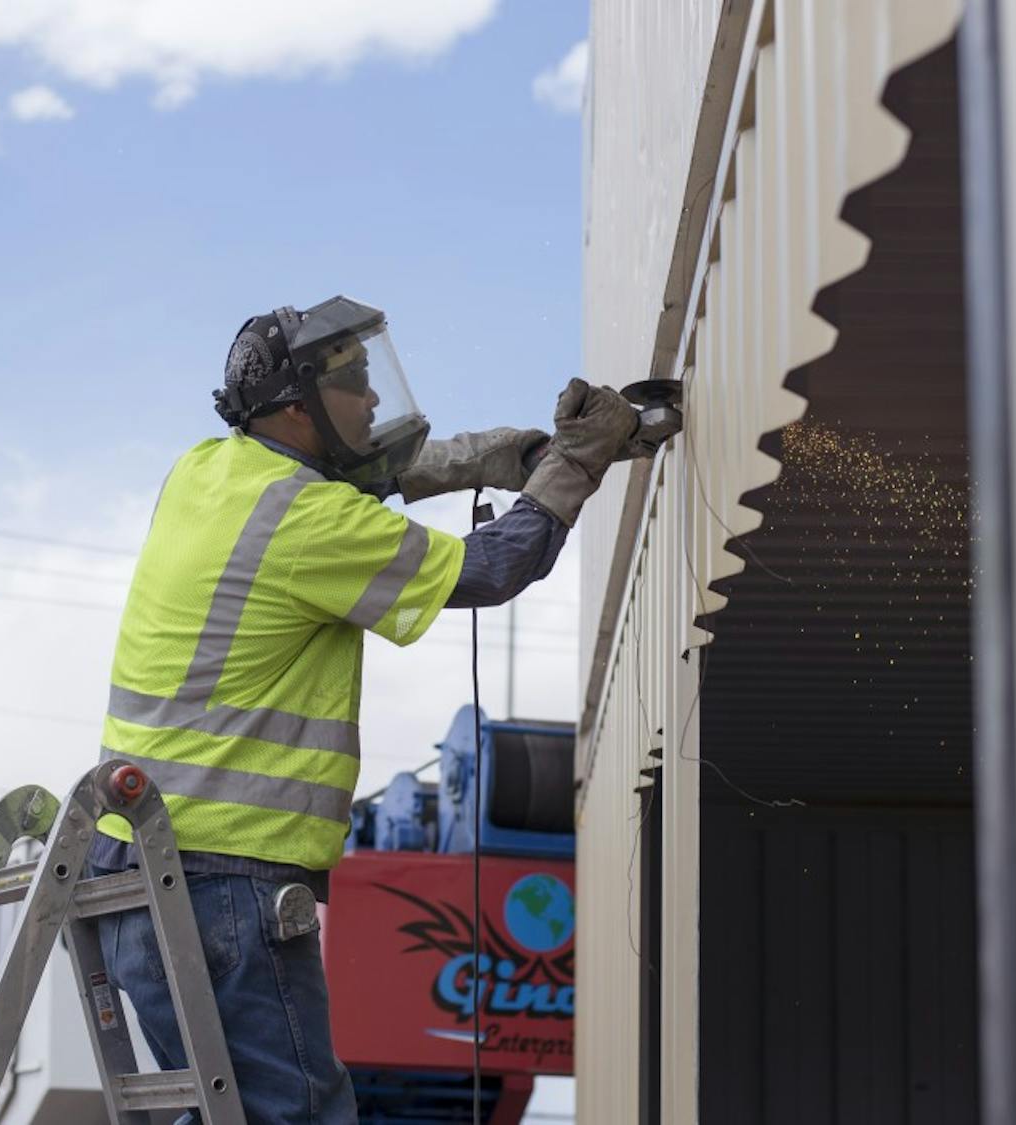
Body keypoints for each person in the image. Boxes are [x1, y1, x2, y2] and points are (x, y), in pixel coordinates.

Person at [88, 296, 654, 1123]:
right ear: (295, 404)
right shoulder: (306, 519)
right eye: (355, 381)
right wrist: (576, 462)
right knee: (297, 1116)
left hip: (142, 878)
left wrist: (488, 456)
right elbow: (491, 568)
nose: (376, 399)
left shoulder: (206, 472)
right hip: (224, 885)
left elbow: (360, 478)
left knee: (230, 1113)